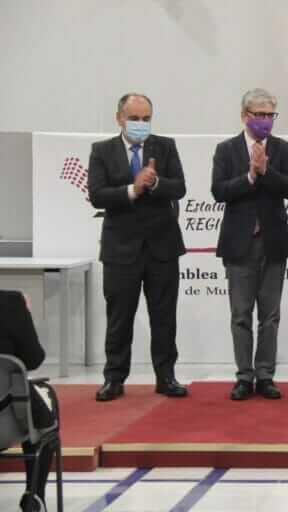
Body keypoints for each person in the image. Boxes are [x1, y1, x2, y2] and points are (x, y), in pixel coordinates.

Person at [87, 93, 188, 401]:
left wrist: (156, 183)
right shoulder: (102, 151)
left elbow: (180, 187)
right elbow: (97, 194)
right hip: (121, 249)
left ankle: (166, 376)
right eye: (135, 119)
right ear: (120, 118)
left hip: (162, 247)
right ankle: (114, 378)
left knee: (164, 316)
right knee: (120, 316)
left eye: (146, 119)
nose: (141, 125)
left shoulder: (165, 146)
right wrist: (133, 188)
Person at [211, 89, 288, 401]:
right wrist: (249, 176)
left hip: (272, 243)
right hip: (239, 244)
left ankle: (265, 375)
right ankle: (244, 376)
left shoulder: (284, 150)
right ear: (245, 115)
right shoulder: (227, 150)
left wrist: (265, 171)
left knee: (270, 316)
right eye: (258, 114)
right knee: (241, 314)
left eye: (269, 115)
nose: (264, 120)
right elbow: (218, 190)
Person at [0, 291, 57, 512]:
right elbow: (34, 358)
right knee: (43, 422)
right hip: (7, 420)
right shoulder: (11, 302)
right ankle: (34, 496)